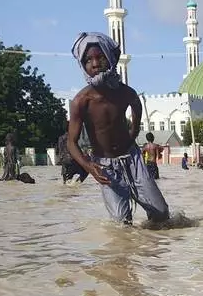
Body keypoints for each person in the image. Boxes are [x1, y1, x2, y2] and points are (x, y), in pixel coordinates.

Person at [67, 32, 169, 225]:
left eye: (101, 57)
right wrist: (89, 166)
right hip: (104, 166)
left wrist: (131, 138)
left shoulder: (125, 93)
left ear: (111, 58)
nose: (95, 63)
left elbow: (136, 108)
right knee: (122, 224)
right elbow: (71, 143)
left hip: (132, 159)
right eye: (88, 60)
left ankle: (154, 251)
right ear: (82, 65)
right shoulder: (81, 101)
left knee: (161, 213)